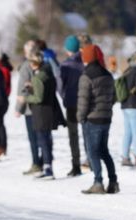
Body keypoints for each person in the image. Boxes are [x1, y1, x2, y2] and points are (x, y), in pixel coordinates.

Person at [77, 45, 119, 194]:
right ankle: (113, 181)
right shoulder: (107, 74)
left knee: (93, 152)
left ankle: (98, 182)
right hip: (106, 118)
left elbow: (83, 100)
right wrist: (106, 107)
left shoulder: (86, 76)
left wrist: (80, 117)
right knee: (104, 151)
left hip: (92, 119)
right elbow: (114, 97)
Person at [23, 50, 66, 179]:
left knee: (43, 141)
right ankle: (47, 166)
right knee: (46, 140)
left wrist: (27, 97)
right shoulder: (48, 74)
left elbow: (38, 98)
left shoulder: (37, 78)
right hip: (49, 112)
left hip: (40, 114)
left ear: (33, 64)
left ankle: (48, 169)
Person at [16, 40, 42, 175]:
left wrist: (18, 108)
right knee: (42, 136)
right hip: (41, 106)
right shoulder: (42, 63)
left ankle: (36, 163)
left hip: (29, 107)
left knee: (33, 137)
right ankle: (43, 161)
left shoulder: (26, 66)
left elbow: (22, 89)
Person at [60, 35, 84, 177]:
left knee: (73, 135)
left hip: (71, 103)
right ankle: (91, 161)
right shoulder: (85, 62)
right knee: (87, 133)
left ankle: (76, 165)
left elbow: (61, 85)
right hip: (85, 102)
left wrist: (64, 96)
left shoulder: (66, 65)